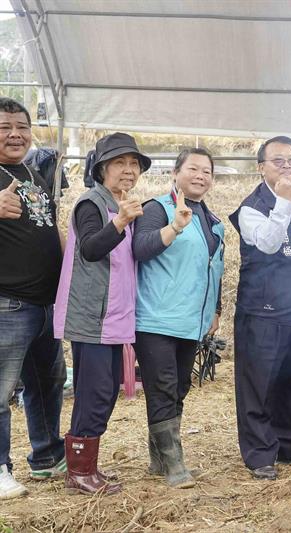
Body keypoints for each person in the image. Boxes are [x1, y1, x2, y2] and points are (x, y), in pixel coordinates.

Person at [53, 132, 150, 495]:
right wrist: (121, 222)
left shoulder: (123, 203)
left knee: (107, 390)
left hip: (115, 316)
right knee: (94, 392)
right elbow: (92, 249)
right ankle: (78, 472)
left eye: (134, 164)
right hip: (92, 316)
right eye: (119, 163)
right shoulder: (90, 202)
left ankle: (86, 465)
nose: (128, 171)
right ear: (102, 169)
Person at [230, 136, 291, 480]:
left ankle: (289, 446)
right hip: (263, 311)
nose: (287, 167)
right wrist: (284, 202)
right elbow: (269, 245)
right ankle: (259, 454)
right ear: (261, 168)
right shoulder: (251, 207)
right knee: (258, 384)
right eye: (278, 161)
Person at [133, 148, 224, 487]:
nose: (201, 175)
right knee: (163, 388)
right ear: (175, 172)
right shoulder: (156, 208)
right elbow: (140, 248)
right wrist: (173, 227)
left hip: (191, 320)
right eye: (193, 169)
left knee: (180, 387)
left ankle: (159, 459)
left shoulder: (212, 219)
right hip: (157, 317)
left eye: (207, 171)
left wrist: (215, 310)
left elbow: (216, 268)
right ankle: (174, 464)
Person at [0, 97, 67, 500]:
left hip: (46, 304)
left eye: (22, 126)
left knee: (47, 382)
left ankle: (46, 456)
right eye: (4, 126)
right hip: (7, 303)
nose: (15, 134)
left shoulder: (32, 172)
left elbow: (51, 228)